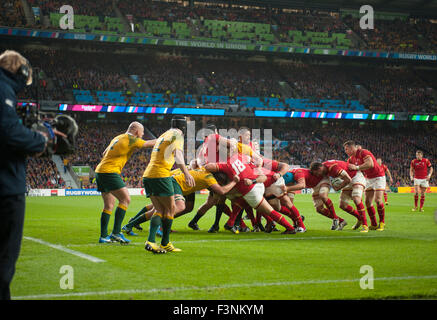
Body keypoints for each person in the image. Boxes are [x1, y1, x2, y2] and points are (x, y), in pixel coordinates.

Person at [0, 50, 47, 300]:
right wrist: (38, 140)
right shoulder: (3, 91)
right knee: (4, 262)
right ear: (22, 73)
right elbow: (8, 133)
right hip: (7, 187)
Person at [95, 122, 155, 244]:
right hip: (109, 172)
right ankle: (116, 233)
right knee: (125, 199)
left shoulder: (118, 137)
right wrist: (165, 138)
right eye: (142, 132)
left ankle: (104, 236)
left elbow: (104, 153)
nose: (142, 135)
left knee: (109, 205)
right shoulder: (131, 139)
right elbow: (149, 144)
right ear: (137, 132)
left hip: (100, 171)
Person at [143, 116, 195, 253]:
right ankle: (164, 242)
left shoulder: (165, 134)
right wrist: (187, 173)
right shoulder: (177, 135)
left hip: (148, 174)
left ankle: (151, 241)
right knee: (171, 209)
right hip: (161, 175)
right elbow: (178, 155)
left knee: (159, 209)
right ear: (183, 128)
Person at [310, 160, 367, 232]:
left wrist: (338, 188)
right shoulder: (325, 168)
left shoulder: (333, 168)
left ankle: (365, 225)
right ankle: (360, 218)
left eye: (317, 173)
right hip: (347, 179)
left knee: (356, 198)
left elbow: (348, 179)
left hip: (355, 177)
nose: (317, 175)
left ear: (320, 169)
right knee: (343, 205)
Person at [344, 141, 386, 231]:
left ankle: (382, 223)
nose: (345, 151)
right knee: (367, 202)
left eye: (346, 149)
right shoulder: (351, 159)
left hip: (378, 176)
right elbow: (347, 167)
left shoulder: (363, 152)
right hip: (368, 179)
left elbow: (370, 164)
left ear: (352, 148)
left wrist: (357, 167)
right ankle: (374, 224)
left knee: (378, 200)